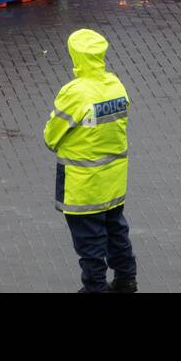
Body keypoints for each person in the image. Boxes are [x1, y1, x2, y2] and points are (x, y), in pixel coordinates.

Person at [43, 28, 137, 294]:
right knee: (116, 231)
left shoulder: (75, 93)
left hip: (83, 185)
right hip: (114, 181)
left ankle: (95, 288)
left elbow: (51, 137)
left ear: (76, 56)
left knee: (90, 241)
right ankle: (126, 280)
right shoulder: (116, 85)